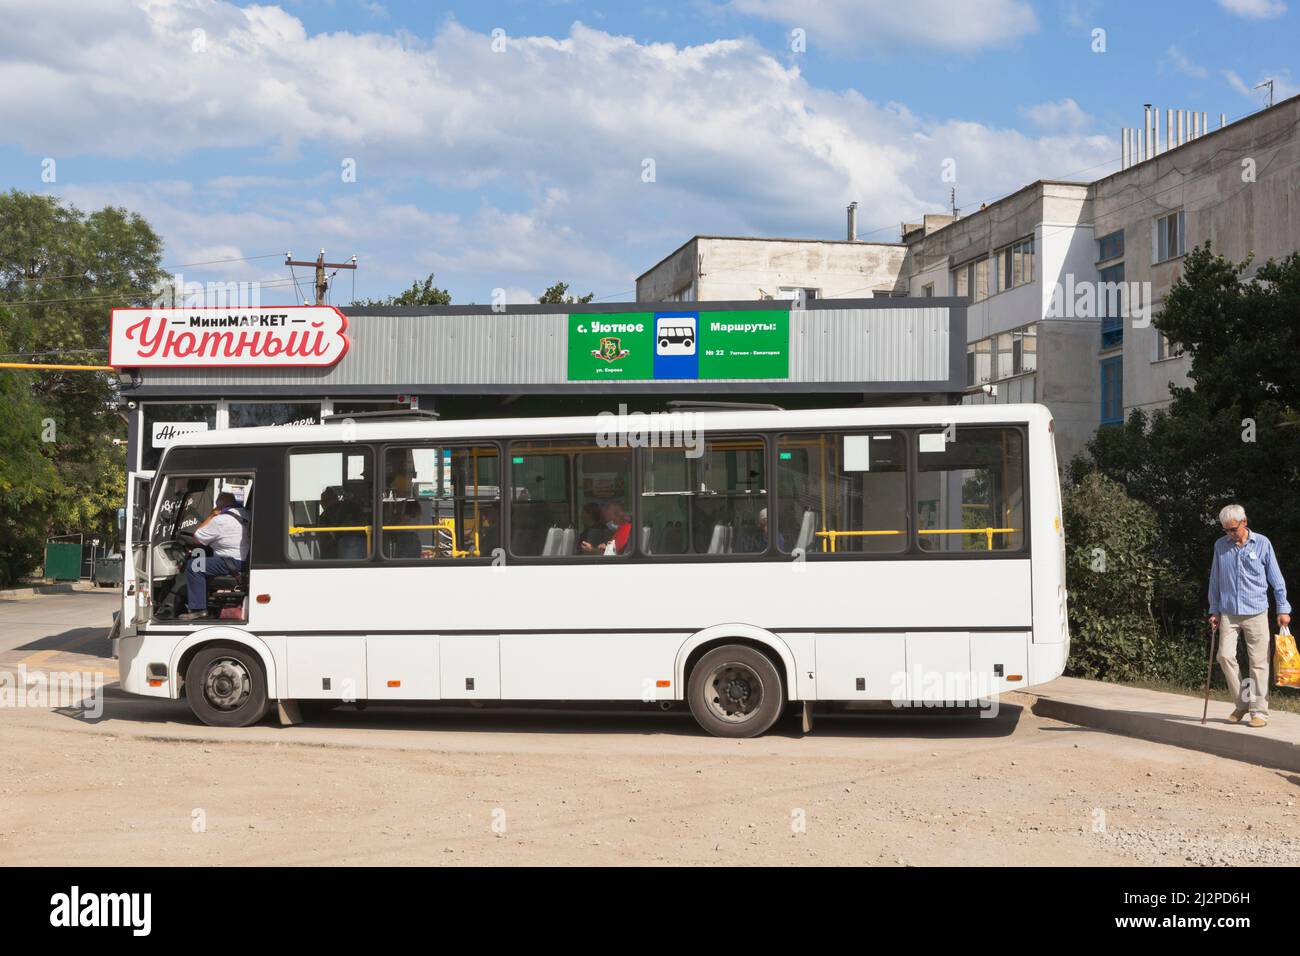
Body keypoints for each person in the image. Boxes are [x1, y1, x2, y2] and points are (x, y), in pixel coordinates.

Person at [1208, 503, 1290, 728]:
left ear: (1244, 522)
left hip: (1256, 611)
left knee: (1258, 662)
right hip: (1229, 612)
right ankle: (1243, 702)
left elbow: (1276, 579)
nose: (1230, 534)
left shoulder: (1262, 543)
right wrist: (1214, 609)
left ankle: (1259, 712)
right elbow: (1215, 579)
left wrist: (1283, 608)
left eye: (1233, 529)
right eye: (1226, 530)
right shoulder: (1220, 546)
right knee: (1224, 656)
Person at [178, 492, 250, 620]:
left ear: (219, 506)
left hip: (231, 562)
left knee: (194, 566)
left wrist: (212, 514)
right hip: (245, 561)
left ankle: (198, 609)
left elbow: (197, 538)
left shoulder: (221, 520)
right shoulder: (247, 514)